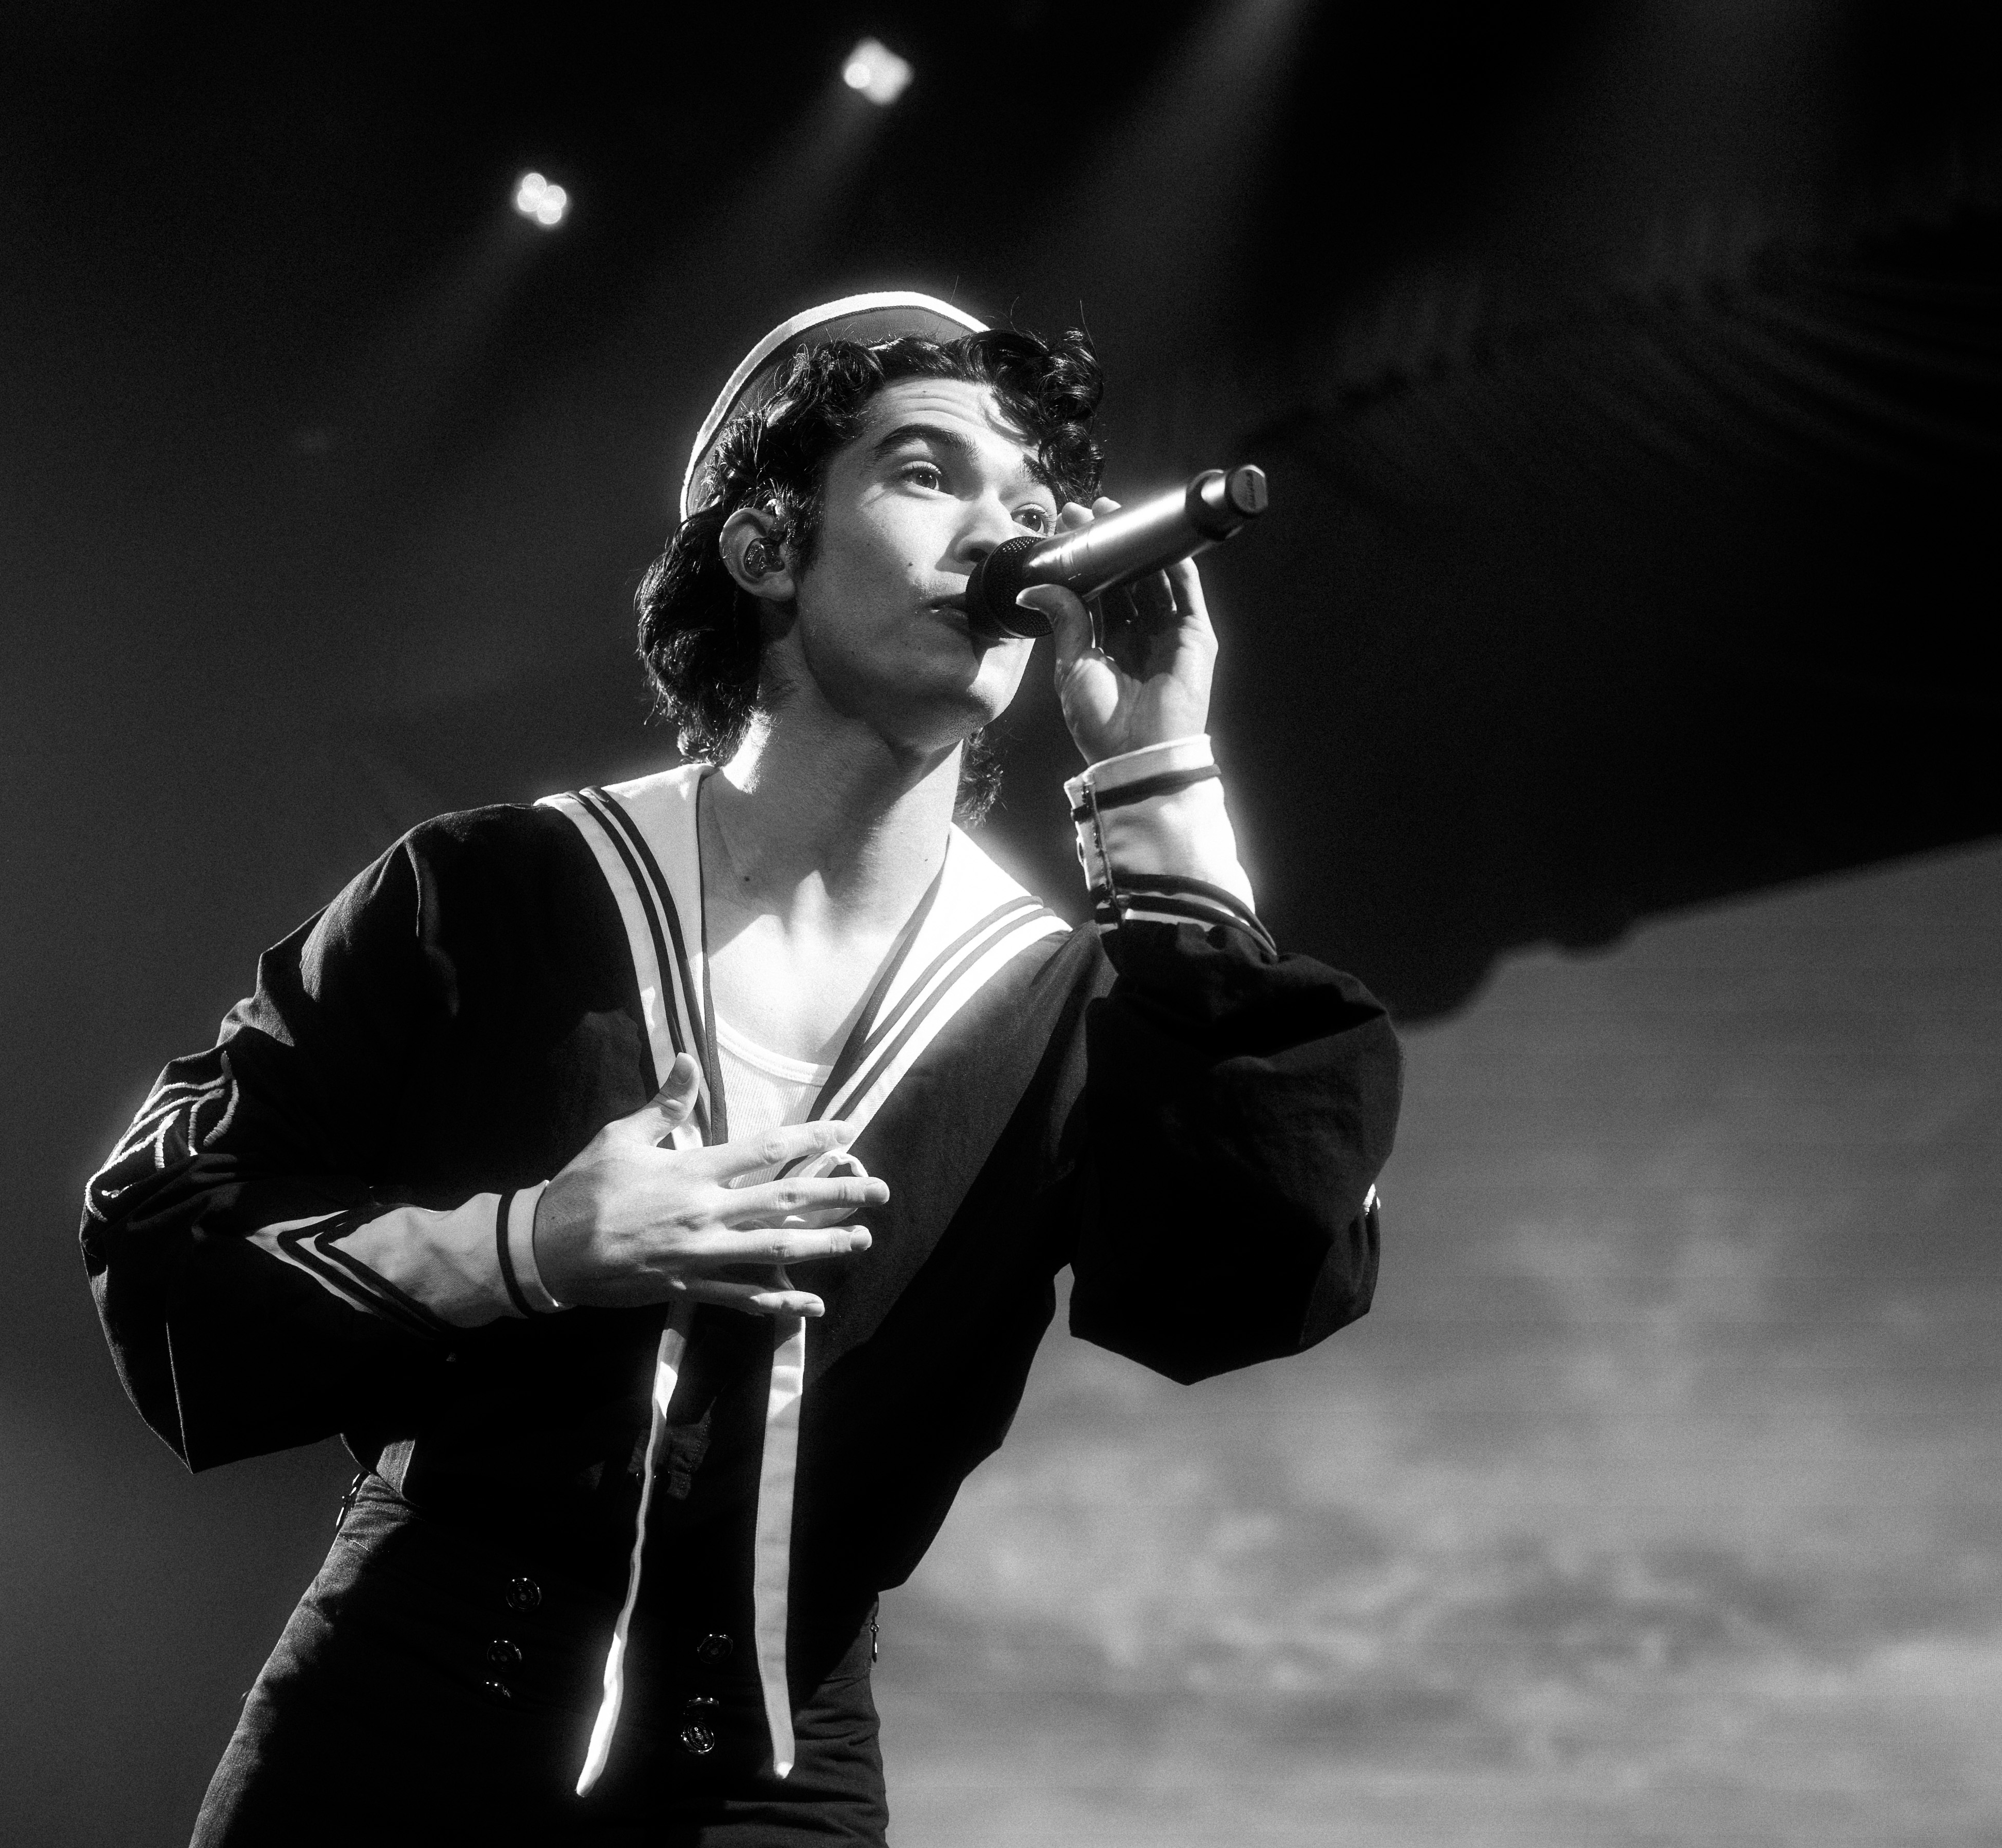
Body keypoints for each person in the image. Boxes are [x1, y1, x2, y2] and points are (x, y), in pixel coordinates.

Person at [79, 291, 1401, 1845]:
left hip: (773, 1782)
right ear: (767, 548)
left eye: (1036, 505)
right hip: (399, 1724)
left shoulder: (1064, 999)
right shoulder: (489, 891)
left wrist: (1160, 776)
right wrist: (531, 1247)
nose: (1006, 532)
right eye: (930, 473)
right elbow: (166, 1242)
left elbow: (1259, 1277)